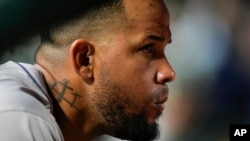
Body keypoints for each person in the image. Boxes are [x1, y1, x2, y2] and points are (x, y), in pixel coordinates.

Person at [0, 0, 175, 140]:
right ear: (84, 60)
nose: (168, 72)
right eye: (148, 48)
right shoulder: (19, 117)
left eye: (164, 48)